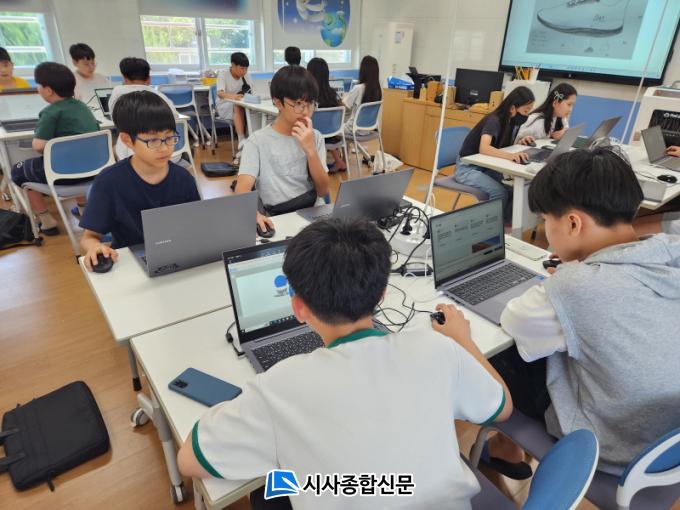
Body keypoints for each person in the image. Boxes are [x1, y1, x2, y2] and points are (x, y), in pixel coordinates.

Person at [176, 218, 513, 509]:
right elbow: (502, 407)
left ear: (298, 308)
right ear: (382, 293)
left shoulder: (280, 387)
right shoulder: (436, 348)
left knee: (270, 491)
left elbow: (189, 460)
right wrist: (463, 340)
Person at [491, 147, 680, 476]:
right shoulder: (668, 250)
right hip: (666, 437)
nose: (546, 229)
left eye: (545, 220)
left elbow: (514, 319)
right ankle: (504, 447)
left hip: (611, 445)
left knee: (499, 352)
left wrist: (569, 277)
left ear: (573, 223)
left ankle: (503, 449)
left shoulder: (577, 286)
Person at [79, 91, 200, 270]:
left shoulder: (183, 178)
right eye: (153, 141)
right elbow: (89, 237)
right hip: (130, 261)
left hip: (177, 256)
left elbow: (196, 225)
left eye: (169, 137)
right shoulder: (109, 182)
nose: (164, 148)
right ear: (127, 140)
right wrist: (95, 247)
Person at [234, 65, 329, 232]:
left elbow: (322, 191)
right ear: (278, 102)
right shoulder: (257, 142)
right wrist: (254, 214)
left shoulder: (315, 137)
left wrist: (311, 150)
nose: (306, 112)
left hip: (311, 213)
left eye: (310, 103)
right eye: (298, 104)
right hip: (277, 217)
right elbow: (242, 190)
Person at [10, 62, 99, 235]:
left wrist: (55, 144)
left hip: (64, 175)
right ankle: (84, 211)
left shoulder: (50, 112)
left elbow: (38, 146)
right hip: (92, 172)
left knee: (19, 171)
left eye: (39, 85)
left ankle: (46, 220)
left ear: (49, 90)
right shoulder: (83, 107)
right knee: (78, 157)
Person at [455, 86, 535, 222]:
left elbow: (502, 147)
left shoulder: (512, 122)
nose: (526, 115)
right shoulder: (494, 120)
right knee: (500, 192)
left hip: (485, 167)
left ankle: (503, 224)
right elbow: (484, 148)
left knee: (513, 190)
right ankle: (487, 229)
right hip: (466, 169)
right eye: (526, 111)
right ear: (513, 108)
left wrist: (521, 142)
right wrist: (511, 156)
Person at [108, 57, 182, 164]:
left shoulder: (117, 93)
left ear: (124, 78)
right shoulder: (160, 96)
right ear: (149, 79)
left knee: (116, 145)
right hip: (172, 155)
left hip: (134, 157)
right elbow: (175, 118)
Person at [307, 57, 346, 173]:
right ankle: (339, 161)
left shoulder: (309, 95)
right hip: (332, 133)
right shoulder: (332, 93)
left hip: (314, 135)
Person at [215, 52, 253, 166]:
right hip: (224, 105)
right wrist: (234, 97)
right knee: (237, 106)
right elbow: (220, 94)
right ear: (233, 65)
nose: (244, 71)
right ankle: (241, 140)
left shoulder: (245, 75)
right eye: (242, 68)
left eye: (246, 69)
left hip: (241, 105)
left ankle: (251, 143)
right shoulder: (223, 74)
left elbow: (252, 90)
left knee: (251, 110)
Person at [343, 55, 382, 131]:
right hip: (369, 129)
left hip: (353, 129)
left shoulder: (358, 88)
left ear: (363, 71)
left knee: (334, 128)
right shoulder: (378, 89)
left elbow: (346, 106)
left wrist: (343, 99)